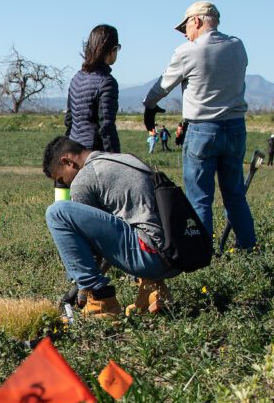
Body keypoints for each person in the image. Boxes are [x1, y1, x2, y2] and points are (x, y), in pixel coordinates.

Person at [142, 1, 257, 250]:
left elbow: (162, 86)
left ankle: (201, 253)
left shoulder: (188, 51)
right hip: (236, 127)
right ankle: (248, 247)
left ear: (196, 21)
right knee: (235, 195)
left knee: (199, 198)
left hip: (203, 129)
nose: (185, 32)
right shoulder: (237, 46)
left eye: (186, 26)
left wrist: (148, 106)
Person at [41, 135, 179, 319]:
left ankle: (102, 303)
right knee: (136, 221)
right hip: (176, 256)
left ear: (67, 161)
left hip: (150, 256)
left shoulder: (85, 177)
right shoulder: (125, 159)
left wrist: (84, 287)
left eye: (61, 178)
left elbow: (93, 249)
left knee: (57, 212)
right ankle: (154, 292)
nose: (64, 184)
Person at [63, 24, 121, 152]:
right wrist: (115, 159)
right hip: (94, 153)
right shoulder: (107, 82)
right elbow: (106, 126)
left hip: (73, 151)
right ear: (112, 49)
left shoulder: (76, 79)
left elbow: (69, 120)